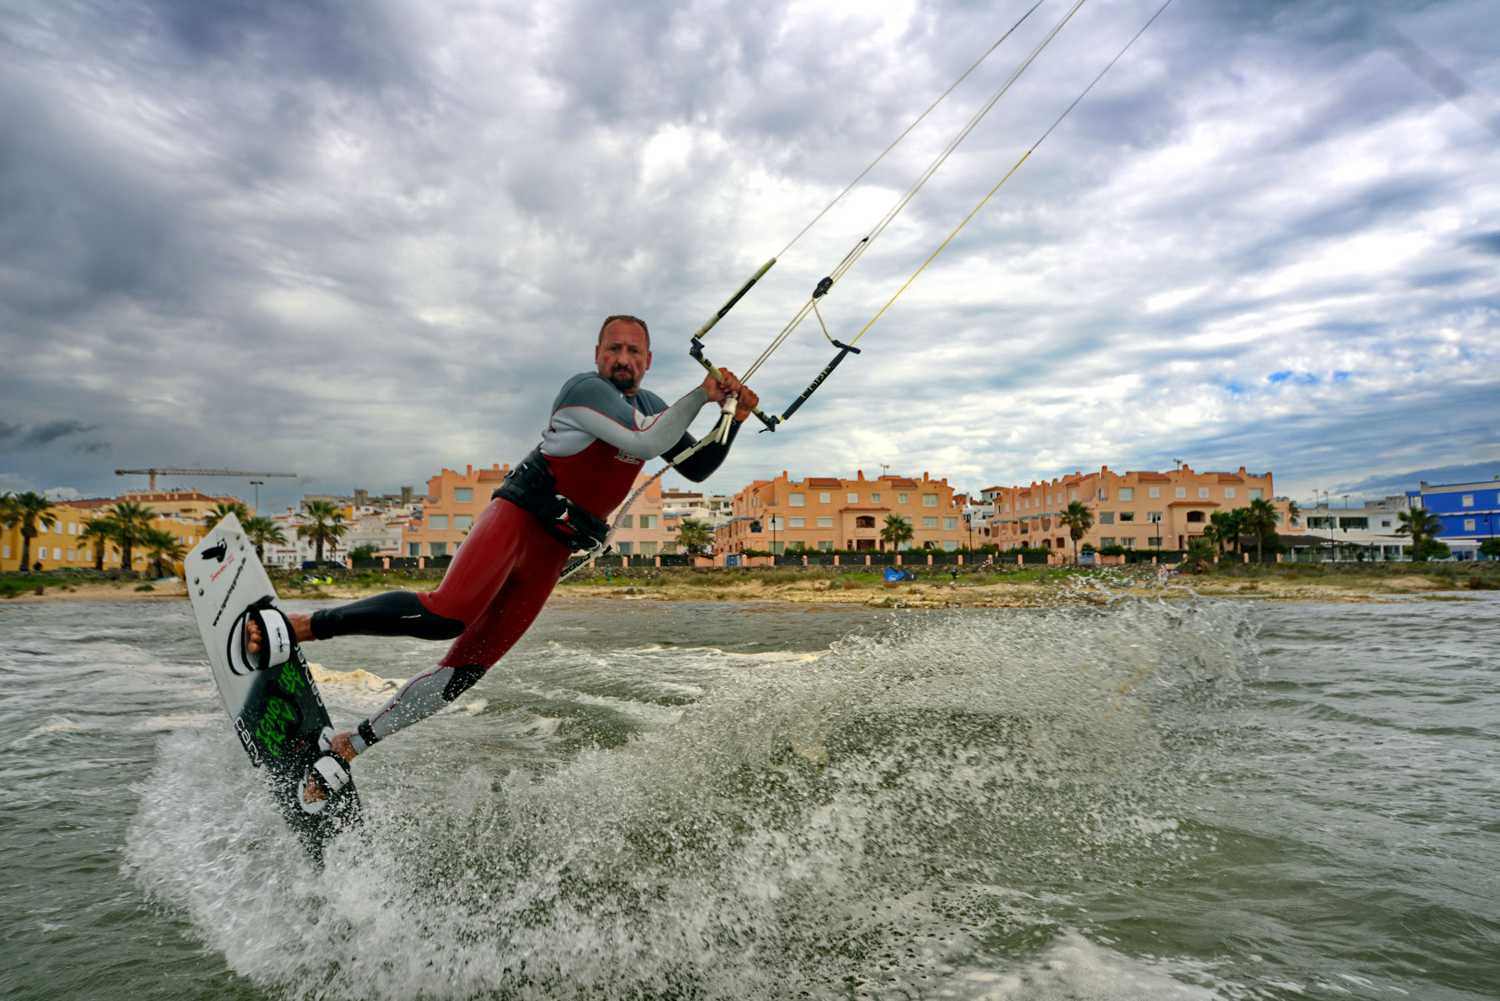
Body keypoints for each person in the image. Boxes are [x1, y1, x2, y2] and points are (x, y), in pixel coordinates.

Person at [248, 314, 758, 807]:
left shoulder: (650, 404)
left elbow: (697, 467)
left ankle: (351, 745)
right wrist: (703, 395)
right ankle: (303, 626)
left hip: (553, 548)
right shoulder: (585, 391)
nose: (622, 358)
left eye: (633, 351)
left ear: (648, 360)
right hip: (516, 519)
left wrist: (731, 418)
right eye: (613, 348)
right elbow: (646, 438)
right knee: (445, 614)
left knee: (466, 669)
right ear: (597, 355)